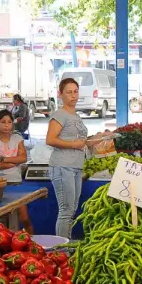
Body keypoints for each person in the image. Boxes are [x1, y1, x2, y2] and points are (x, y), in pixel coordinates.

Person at [47, 77, 89, 238]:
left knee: (72, 209)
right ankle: (61, 250)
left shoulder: (76, 116)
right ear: (60, 94)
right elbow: (50, 139)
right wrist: (74, 144)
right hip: (63, 167)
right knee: (66, 210)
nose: (73, 96)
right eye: (69, 92)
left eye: (76, 91)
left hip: (76, 167)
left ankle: (66, 244)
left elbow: (81, 141)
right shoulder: (60, 114)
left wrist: (102, 137)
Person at [0, 109, 33, 232]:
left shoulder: (17, 138)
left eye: (9, 122)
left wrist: (4, 159)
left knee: (24, 217)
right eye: (3, 122)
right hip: (0, 185)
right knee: (3, 220)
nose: (6, 125)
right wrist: (12, 162)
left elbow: (23, 158)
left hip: (16, 183)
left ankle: (32, 242)